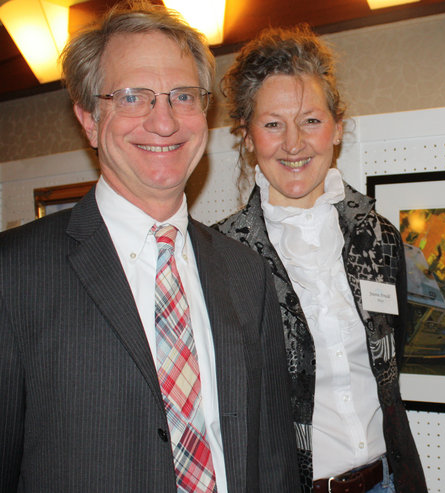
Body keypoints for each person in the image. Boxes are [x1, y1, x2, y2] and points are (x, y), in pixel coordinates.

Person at [0, 2, 299, 492]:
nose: (164, 123)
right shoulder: (13, 275)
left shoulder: (246, 272)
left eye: (183, 96)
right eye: (134, 96)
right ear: (90, 119)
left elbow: (272, 462)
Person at [214, 26, 428, 493]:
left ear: (336, 128)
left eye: (310, 121)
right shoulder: (220, 257)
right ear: (247, 138)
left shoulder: (379, 237)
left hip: (386, 482)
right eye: (272, 124)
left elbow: (395, 357)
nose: (293, 143)